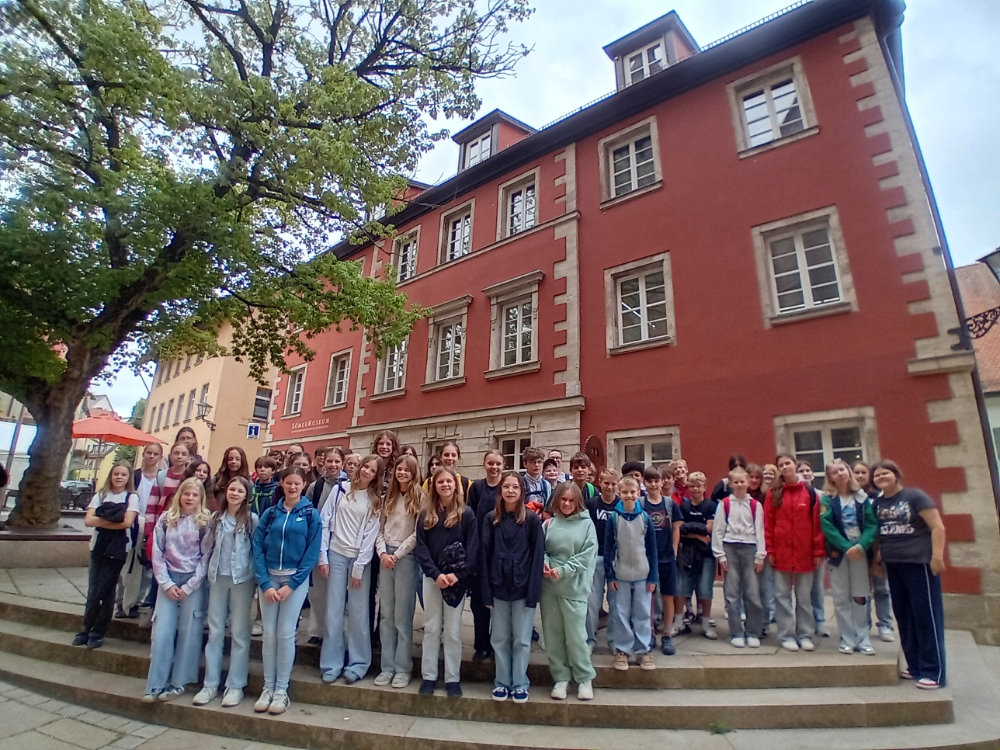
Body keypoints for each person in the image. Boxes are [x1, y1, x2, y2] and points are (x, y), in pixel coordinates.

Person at [252, 467, 322, 714]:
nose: (293, 487)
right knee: (269, 634)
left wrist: (292, 585)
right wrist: (264, 582)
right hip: (269, 580)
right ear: (281, 484)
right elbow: (257, 547)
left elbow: (312, 551)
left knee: (285, 633)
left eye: (297, 483)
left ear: (303, 485)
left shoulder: (311, 515)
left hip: (294, 580)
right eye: (288, 483)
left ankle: (281, 689)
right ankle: (267, 687)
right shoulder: (271, 514)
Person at [872, 460, 947, 689]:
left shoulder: (915, 496)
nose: (880, 477)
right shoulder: (878, 502)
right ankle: (914, 665)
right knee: (904, 616)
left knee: (926, 616)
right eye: (876, 475)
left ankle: (933, 671)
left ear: (896, 475)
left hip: (919, 563)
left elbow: (937, 526)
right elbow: (880, 533)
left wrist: (937, 556)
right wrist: (877, 559)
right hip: (893, 564)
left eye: (885, 473)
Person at [142, 477, 211, 702]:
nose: (189, 498)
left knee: (188, 631)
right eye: (186, 494)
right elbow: (158, 552)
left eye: (194, 495)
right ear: (179, 495)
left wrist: (190, 586)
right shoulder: (166, 519)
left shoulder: (205, 522)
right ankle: (155, 684)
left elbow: (206, 556)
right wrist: (166, 583)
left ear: (200, 498)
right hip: (168, 580)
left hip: (193, 581)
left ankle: (179, 681)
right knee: (162, 632)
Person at [193, 476, 258, 707]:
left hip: (242, 580)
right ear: (226, 492)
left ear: (246, 495)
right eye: (232, 489)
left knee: (240, 633)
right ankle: (210, 684)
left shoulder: (251, 520)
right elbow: (207, 547)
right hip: (217, 578)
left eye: (240, 490)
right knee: (216, 630)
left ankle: (235, 684)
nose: (235, 493)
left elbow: (255, 551)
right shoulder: (216, 519)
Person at [415, 466, 479, 698]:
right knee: (432, 628)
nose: (445, 485)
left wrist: (457, 575)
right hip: (433, 579)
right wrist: (435, 574)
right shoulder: (426, 515)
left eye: (449, 482)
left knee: (452, 631)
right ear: (434, 486)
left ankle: (453, 678)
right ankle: (429, 676)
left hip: (456, 580)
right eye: (440, 482)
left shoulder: (467, 514)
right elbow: (422, 549)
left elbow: (473, 549)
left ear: (456, 486)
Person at [481, 471, 544, 703]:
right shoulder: (490, 519)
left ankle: (519, 682)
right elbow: (484, 557)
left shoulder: (531, 520)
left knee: (522, 638)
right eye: (506, 487)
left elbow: (538, 557)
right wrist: (485, 590)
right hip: (498, 587)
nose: (510, 491)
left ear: (521, 491)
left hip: (522, 587)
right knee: (499, 638)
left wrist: (533, 591)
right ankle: (501, 682)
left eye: (515, 487)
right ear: (501, 491)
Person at [317, 454, 379, 685]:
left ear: (375, 475)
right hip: (335, 554)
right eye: (365, 467)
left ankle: (359, 663)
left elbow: (370, 534)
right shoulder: (340, 490)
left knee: (359, 612)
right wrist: (323, 556)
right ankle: (331, 663)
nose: (367, 472)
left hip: (358, 560)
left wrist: (360, 566)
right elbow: (325, 521)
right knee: (333, 611)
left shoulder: (375, 499)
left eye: (372, 470)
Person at [541, 482, 598, 702]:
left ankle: (584, 677)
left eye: (571, 500)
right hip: (549, 588)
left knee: (576, 636)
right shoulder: (549, 524)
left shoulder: (587, 525)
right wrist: (545, 564)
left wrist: (563, 570)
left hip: (574, 587)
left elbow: (587, 555)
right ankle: (561, 677)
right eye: (563, 500)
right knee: (553, 636)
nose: (566, 504)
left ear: (577, 502)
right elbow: (542, 549)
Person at [764, 455, 824, 652]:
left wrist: (818, 550)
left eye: (787, 463)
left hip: (804, 552)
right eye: (781, 465)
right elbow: (769, 524)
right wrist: (770, 549)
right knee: (782, 597)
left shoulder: (810, 492)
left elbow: (816, 525)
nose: (784, 467)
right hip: (781, 553)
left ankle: (805, 634)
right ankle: (786, 635)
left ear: (795, 465)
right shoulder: (773, 493)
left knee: (804, 597)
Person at [76, 463, 140, 649]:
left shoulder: (132, 497)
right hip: (98, 546)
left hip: (117, 548)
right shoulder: (101, 495)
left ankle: (98, 630)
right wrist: (113, 519)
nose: (119, 477)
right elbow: (89, 520)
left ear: (129, 478)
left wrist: (102, 520)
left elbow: (127, 522)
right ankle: (86, 628)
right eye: (116, 474)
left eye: (123, 474)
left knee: (105, 590)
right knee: (93, 590)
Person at [374, 455, 423, 689]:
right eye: (399, 469)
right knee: (386, 614)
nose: (402, 473)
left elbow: (417, 532)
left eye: (407, 470)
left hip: (405, 557)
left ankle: (403, 668)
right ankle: (387, 666)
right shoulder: (388, 498)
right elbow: (379, 529)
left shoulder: (420, 498)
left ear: (414, 473)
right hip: (386, 557)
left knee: (403, 617)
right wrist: (383, 553)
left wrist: (397, 554)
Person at [820, 460, 877, 656]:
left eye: (842, 469)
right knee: (841, 596)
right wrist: (846, 547)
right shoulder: (827, 500)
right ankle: (847, 638)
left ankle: (863, 637)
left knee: (860, 595)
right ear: (831, 478)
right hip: (839, 552)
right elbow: (827, 527)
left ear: (848, 471)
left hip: (860, 550)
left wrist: (861, 545)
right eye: (835, 472)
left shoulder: (862, 497)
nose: (840, 474)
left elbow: (871, 525)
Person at [605, 475, 658, 671]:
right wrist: (610, 576)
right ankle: (622, 650)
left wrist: (653, 577)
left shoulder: (645, 519)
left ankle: (643, 650)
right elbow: (609, 548)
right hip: (620, 575)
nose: (629, 495)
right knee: (621, 613)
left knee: (642, 613)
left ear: (639, 493)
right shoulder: (613, 518)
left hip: (643, 574)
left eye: (632, 492)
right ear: (619, 493)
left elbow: (652, 550)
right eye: (625, 492)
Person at [711, 467, 765, 649]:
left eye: (743, 481)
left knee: (752, 593)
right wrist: (720, 554)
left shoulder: (755, 505)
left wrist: (760, 555)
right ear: (731, 484)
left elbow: (760, 531)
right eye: (736, 482)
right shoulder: (724, 504)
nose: (740, 484)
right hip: (730, 547)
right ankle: (735, 632)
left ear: (748, 482)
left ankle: (752, 631)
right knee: (732, 593)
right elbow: (718, 530)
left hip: (750, 548)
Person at [305, 448, 348, 645]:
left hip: (340, 540)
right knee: (318, 590)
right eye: (329, 461)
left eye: (336, 461)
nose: (332, 465)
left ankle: (336, 629)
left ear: (342, 463)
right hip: (318, 539)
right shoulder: (316, 486)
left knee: (337, 591)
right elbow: (308, 510)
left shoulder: (348, 486)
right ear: (323, 463)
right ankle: (317, 630)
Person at [466, 449, 506, 662]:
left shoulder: (507, 487)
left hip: (502, 551)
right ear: (484, 464)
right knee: (479, 602)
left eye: (498, 463)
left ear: (503, 465)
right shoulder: (477, 488)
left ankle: (497, 644)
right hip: (480, 549)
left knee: (499, 602)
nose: (494, 467)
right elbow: (470, 517)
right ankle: (481, 645)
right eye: (491, 463)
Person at [116, 443, 162, 620]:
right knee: (127, 566)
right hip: (132, 523)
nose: (151, 456)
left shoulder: (161, 477)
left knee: (146, 566)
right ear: (144, 454)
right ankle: (121, 602)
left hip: (151, 525)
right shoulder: (134, 476)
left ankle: (136, 602)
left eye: (155, 453)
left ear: (159, 457)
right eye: (149, 453)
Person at [854, 460, 895, 642]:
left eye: (863, 472)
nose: (860, 476)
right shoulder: (850, 496)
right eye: (857, 472)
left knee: (882, 588)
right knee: (862, 589)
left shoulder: (878, 497)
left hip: (878, 547)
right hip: (858, 548)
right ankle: (864, 624)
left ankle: (885, 624)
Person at [673, 472, 717, 639]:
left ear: (705, 487)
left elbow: (709, 529)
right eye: (692, 486)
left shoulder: (711, 506)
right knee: (682, 587)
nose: (695, 489)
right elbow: (681, 530)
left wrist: (693, 529)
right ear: (688, 488)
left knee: (705, 588)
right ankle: (678, 621)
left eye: (699, 486)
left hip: (706, 554)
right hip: (687, 552)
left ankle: (705, 623)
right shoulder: (683, 506)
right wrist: (698, 535)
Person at [642, 466, 676, 655]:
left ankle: (668, 634)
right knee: (649, 596)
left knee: (668, 596)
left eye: (657, 481)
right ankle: (650, 633)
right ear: (645, 483)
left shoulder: (669, 504)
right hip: (647, 558)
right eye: (650, 481)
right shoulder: (641, 503)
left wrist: (674, 550)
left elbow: (677, 528)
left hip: (667, 557)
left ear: (662, 482)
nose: (653, 484)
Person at [586, 469, 620, 651]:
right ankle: (589, 639)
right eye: (606, 483)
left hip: (616, 559)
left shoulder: (622, 505)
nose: (610, 487)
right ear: (600, 482)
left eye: (614, 483)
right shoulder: (591, 504)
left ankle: (614, 640)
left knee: (616, 602)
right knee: (592, 602)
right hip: (595, 557)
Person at [143, 442, 190, 575]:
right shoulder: (162, 476)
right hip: (162, 529)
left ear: (188, 458)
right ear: (170, 456)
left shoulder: (190, 478)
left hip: (183, 533)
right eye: (176, 453)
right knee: (158, 571)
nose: (179, 457)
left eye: (183, 454)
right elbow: (152, 504)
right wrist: (149, 531)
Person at [797, 461, 829, 638]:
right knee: (801, 588)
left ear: (813, 474)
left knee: (817, 586)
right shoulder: (791, 494)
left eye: (808, 470)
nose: (805, 473)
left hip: (817, 546)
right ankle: (804, 622)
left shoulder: (822, 496)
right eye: (801, 471)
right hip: (799, 548)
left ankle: (820, 621)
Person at [759, 462, 780, 632]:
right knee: (766, 582)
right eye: (765, 473)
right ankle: (767, 615)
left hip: (779, 541)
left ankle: (775, 612)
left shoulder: (779, 493)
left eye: (771, 473)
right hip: (765, 541)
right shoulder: (760, 494)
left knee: (776, 582)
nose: (768, 476)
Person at [211, 447, 250, 512]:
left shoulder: (248, 482)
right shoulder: (216, 480)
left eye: (237, 459)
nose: (233, 462)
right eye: (230, 459)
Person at [521, 446, 551, 514]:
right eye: (532, 462)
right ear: (525, 464)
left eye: (539, 462)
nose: (536, 465)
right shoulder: (520, 483)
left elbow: (548, 507)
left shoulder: (546, 484)